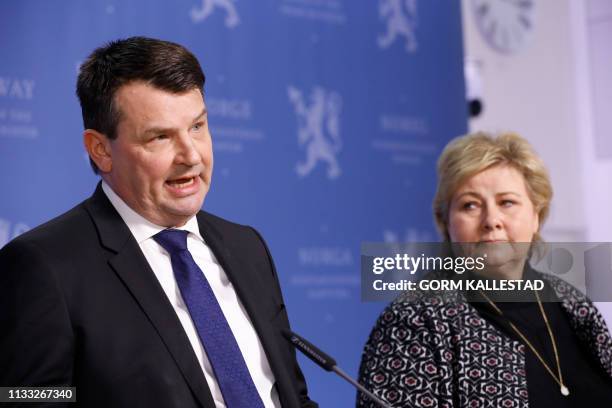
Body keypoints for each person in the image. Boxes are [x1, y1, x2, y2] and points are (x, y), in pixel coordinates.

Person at [0, 36, 317, 408]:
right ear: (100, 149)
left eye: (197, 127)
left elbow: (292, 397)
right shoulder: (45, 267)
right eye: (160, 137)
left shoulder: (247, 247)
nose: (191, 155)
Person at [357, 132, 612, 407]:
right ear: (446, 223)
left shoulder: (572, 303)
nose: (492, 220)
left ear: (536, 216)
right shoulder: (414, 319)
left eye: (507, 202)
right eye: (470, 205)